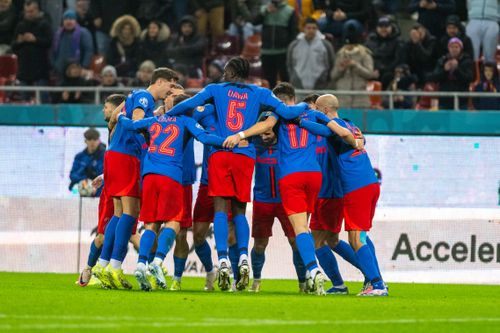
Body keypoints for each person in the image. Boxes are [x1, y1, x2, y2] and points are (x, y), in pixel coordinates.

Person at [167, 57, 311, 291]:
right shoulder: (261, 92)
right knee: (240, 211)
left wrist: (170, 113)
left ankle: (223, 259)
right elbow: (286, 111)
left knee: (221, 209)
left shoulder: (216, 89)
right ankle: (243, 257)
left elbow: (189, 104)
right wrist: (306, 105)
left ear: (233, 72)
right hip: (246, 153)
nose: (223, 74)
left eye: (226, 71)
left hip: (222, 151)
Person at [223, 83, 360, 295]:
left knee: (300, 232)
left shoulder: (278, 114)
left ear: (282, 101)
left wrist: (240, 135)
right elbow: (336, 131)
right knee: (307, 232)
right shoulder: (312, 114)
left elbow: (264, 125)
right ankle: (329, 277)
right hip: (313, 176)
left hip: (291, 178)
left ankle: (312, 273)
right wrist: (356, 141)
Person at [115, 99, 226, 292]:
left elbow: (131, 125)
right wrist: (227, 141)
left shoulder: (154, 120)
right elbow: (206, 137)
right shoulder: (186, 121)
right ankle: (157, 261)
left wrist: (120, 116)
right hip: (171, 175)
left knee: (151, 223)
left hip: (149, 176)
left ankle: (141, 264)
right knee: (174, 222)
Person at [91, 67, 179, 290]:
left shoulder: (135, 95)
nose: (170, 90)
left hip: (117, 155)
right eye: (170, 84)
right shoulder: (144, 97)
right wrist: (156, 122)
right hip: (126, 156)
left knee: (119, 214)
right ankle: (115, 266)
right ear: (160, 81)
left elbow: (114, 119)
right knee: (130, 213)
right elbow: (138, 120)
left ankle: (103, 266)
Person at [299, 94, 388, 296]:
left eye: (316, 110)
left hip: (356, 185)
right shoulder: (349, 125)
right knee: (359, 235)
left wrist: (301, 120)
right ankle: (373, 280)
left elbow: (329, 130)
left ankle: (377, 283)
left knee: (356, 237)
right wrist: (302, 122)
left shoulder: (338, 125)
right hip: (365, 183)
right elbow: (334, 133)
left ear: (323, 111)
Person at [249, 93, 307, 293]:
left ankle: (302, 283)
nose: (264, 136)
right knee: (259, 245)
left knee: (295, 243)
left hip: (285, 201)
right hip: (262, 201)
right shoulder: (254, 146)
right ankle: (256, 281)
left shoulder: (286, 144)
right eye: (262, 133)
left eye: (268, 132)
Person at [78, 94, 126, 287]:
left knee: (124, 234)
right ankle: (92, 269)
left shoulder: (122, 126)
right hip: (113, 190)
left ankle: (110, 270)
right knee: (103, 237)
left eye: (106, 107)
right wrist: (106, 176)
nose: (103, 110)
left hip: (123, 186)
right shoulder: (115, 127)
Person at [11, 0, 52, 100]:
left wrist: (35, 40)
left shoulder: (45, 24)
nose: (29, 14)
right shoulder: (20, 26)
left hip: (40, 68)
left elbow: (49, 42)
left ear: (37, 10)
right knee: (24, 101)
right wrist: (20, 41)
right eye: (27, 11)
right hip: (24, 69)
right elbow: (13, 46)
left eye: (31, 11)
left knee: (43, 100)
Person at [253, 0, 298, 89]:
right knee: (268, 82)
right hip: (266, 51)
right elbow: (254, 22)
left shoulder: (290, 11)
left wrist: (289, 48)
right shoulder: (264, 9)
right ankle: (270, 102)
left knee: (286, 80)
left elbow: (293, 33)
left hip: (283, 52)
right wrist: (265, 12)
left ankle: (287, 101)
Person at [330, 26, 375, 109]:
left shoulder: (364, 54)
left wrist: (356, 65)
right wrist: (341, 69)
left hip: (360, 99)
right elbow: (333, 76)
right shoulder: (340, 55)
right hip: (343, 99)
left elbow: (370, 74)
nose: (349, 47)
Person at [287, 17, 335, 90]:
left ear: (317, 29)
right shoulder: (294, 45)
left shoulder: (326, 45)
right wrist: (294, 77)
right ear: (303, 29)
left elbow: (331, 63)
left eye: (314, 28)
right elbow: (290, 64)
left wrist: (324, 79)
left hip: (320, 86)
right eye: (308, 28)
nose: (311, 30)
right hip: (298, 86)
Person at [427, 37, 473, 110]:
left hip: (461, 101)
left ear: (460, 48)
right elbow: (434, 78)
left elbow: (469, 78)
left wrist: (457, 70)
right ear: (448, 48)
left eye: (456, 47)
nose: (454, 49)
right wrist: (445, 70)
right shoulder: (442, 60)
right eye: (452, 47)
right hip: (444, 100)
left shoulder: (466, 61)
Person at [51, 9, 94, 82]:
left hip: (78, 71)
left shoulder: (83, 33)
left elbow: (88, 51)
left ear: (75, 20)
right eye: (66, 19)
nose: (68, 21)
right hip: (60, 71)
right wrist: (55, 65)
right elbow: (53, 51)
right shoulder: (58, 34)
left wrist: (84, 66)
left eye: (71, 18)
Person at [364, 16, 403, 89]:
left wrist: (381, 70)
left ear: (391, 27)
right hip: (372, 70)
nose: (383, 29)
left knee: (387, 76)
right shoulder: (370, 40)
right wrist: (372, 69)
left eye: (386, 26)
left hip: (389, 71)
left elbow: (397, 60)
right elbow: (366, 56)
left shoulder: (398, 41)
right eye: (381, 27)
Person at [69, 127, 105, 196]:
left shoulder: (105, 156)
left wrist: (94, 185)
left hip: (100, 193)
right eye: (89, 139)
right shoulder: (79, 157)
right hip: (81, 192)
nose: (92, 142)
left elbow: (107, 176)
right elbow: (72, 175)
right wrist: (85, 181)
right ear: (85, 141)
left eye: (94, 139)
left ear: (99, 141)